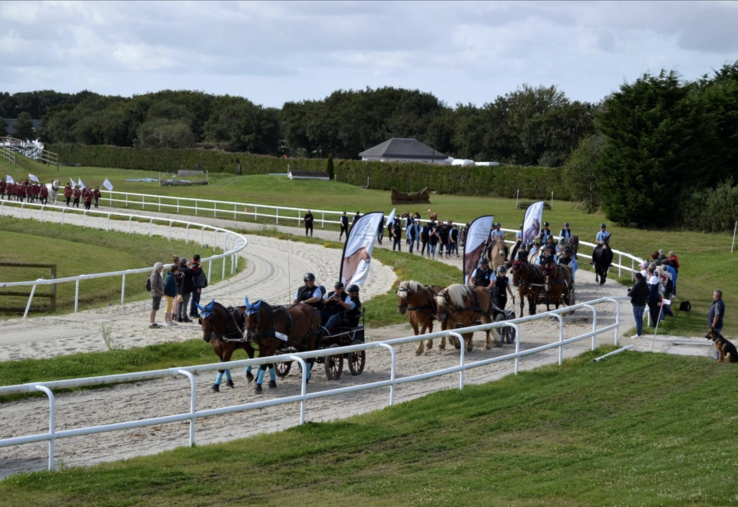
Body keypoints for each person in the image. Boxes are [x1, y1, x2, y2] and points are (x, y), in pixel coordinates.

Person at [628, 273, 649, 337]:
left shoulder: (637, 285)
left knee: (637, 319)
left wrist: (629, 291)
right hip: (643, 303)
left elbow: (630, 294)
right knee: (640, 319)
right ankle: (639, 332)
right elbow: (648, 292)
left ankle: (638, 333)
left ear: (637, 278)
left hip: (636, 304)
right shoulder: (645, 284)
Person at [177, 257, 195, 323]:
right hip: (186, 289)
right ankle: (184, 317)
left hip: (179, 289)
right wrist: (189, 267)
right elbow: (194, 273)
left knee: (179, 303)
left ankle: (178, 316)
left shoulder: (177, 269)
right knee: (185, 304)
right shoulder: (187, 270)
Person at [149, 262, 164, 329]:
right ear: (158, 268)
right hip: (155, 294)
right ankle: (151, 323)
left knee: (155, 308)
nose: (162, 268)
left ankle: (153, 322)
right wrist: (160, 291)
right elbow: (153, 285)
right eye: (161, 267)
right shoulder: (155, 274)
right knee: (154, 308)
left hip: (157, 294)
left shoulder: (157, 274)